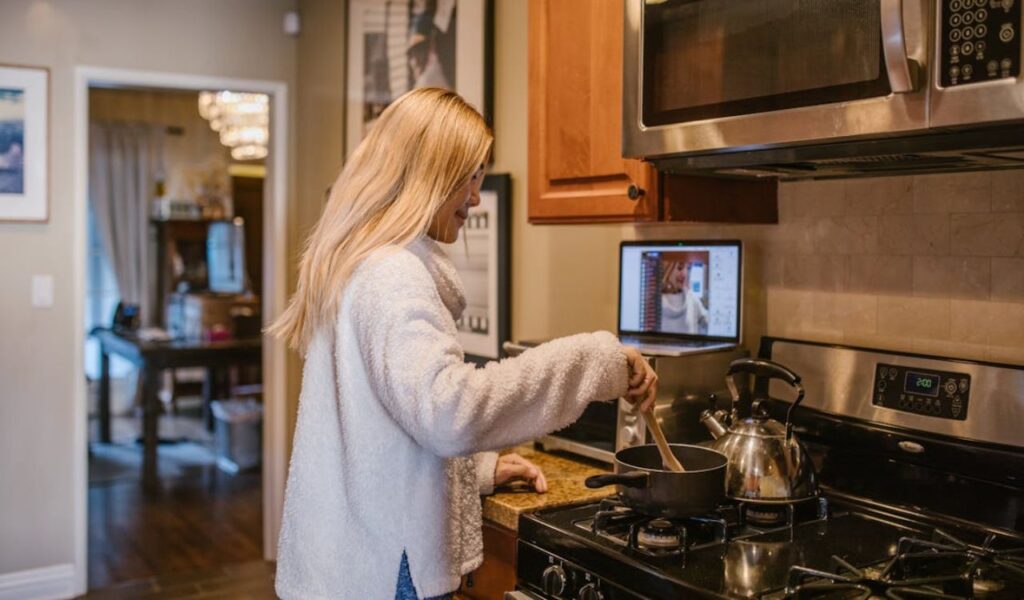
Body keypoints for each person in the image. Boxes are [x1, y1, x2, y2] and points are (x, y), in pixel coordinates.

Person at [268, 87, 658, 600]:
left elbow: (386, 428)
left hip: (352, 565)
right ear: (431, 174)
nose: (475, 197)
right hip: (390, 573)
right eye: (471, 177)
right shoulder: (392, 275)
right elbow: (450, 410)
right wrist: (595, 360)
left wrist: (477, 471)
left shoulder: (358, 263)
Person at [660, 260, 709, 335]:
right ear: (667, 269)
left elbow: (708, 321)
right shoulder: (653, 303)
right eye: (680, 268)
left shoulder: (691, 298)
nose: (685, 274)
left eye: (688, 268)